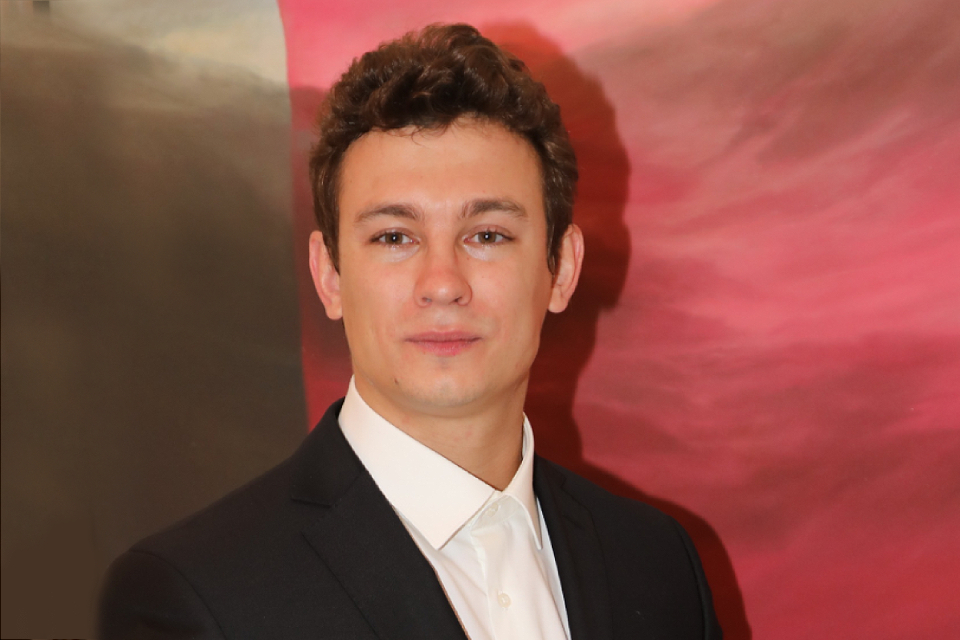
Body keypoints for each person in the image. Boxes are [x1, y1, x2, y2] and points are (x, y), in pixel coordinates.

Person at [99, 23, 722, 640]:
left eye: (487, 235)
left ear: (560, 269)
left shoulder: (658, 566)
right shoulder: (198, 595)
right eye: (394, 237)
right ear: (330, 275)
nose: (442, 283)